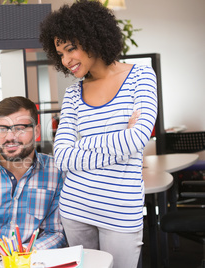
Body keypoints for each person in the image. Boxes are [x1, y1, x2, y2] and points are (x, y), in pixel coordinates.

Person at [39, 1, 158, 267]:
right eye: (60, 53)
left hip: (121, 210)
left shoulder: (141, 77)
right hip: (75, 207)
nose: (66, 60)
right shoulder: (73, 94)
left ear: (93, 38)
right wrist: (119, 142)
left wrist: (82, 145)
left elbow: (138, 138)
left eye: (71, 48)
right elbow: (62, 157)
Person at [0, 96, 67, 257]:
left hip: (27, 262)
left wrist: (24, 254)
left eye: (20, 128)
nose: (10, 137)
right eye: (3, 128)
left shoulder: (55, 172)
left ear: (36, 131)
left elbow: (56, 233)